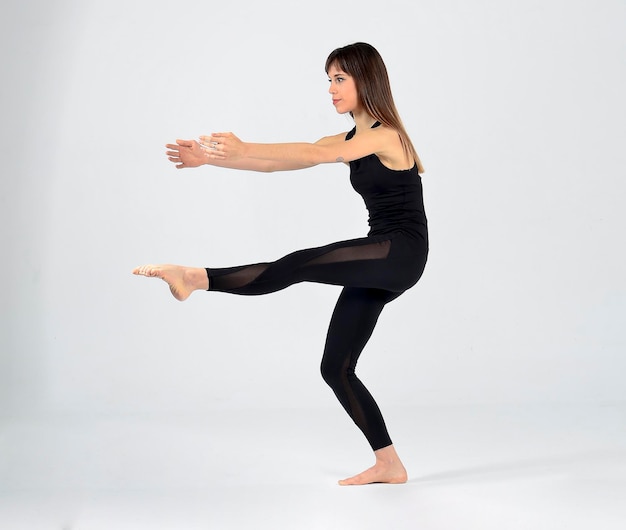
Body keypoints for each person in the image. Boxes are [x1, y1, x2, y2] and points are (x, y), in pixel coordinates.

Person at [133, 42, 428, 486]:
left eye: (339, 79)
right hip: (380, 256)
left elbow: (316, 156)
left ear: (366, 80)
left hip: (400, 251)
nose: (330, 89)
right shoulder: (348, 139)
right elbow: (279, 163)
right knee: (336, 367)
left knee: (299, 263)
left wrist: (243, 144)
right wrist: (214, 158)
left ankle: (197, 277)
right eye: (328, 79)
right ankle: (389, 462)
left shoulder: (387, 136)